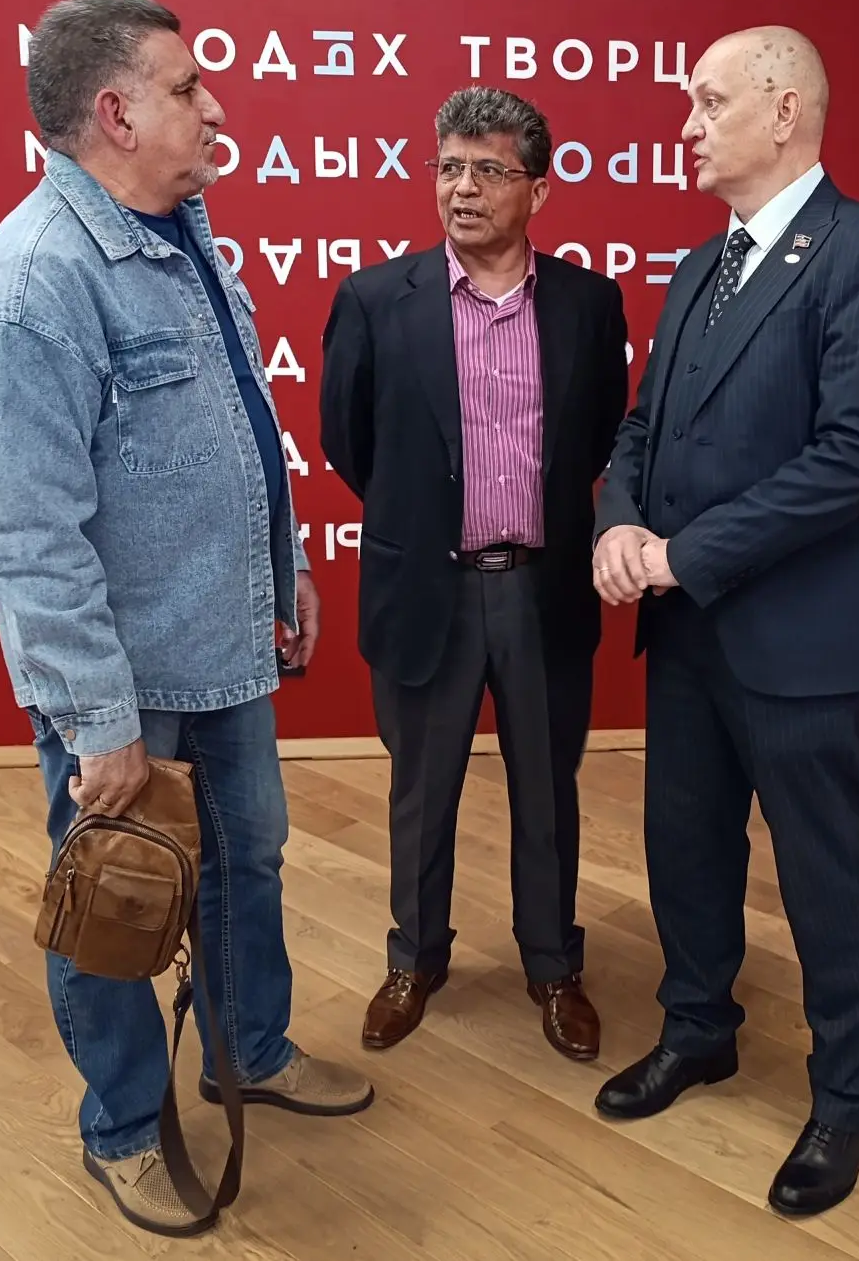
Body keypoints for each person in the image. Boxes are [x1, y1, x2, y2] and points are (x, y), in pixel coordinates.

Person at [0, 0, 372, 1238]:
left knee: (249, 862)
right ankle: (125, 1128)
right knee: (116, 907)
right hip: (125, 686)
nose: (215, 106)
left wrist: (283, 565)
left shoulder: (181, 231)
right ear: (117, 114)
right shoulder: (32, 283)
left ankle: (251, 1053)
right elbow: (24, 534)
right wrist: (98, 719)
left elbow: (235, 426)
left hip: (226, 645)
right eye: (187, 88)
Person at [590, 26, 859, 1217]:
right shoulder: (701, 266)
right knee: (684, 846)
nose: (686, 125)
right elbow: (643, 428)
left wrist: (684, 554)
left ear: (785, 111)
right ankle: (700, 1029)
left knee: (825, 873)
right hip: (686, 630)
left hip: (802, 637)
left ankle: (849, 1099)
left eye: (708, 101)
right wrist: (620, 525)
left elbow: (856, 457)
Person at [319, 86, 629, 1061]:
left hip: (544, 588)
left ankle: (553, 965)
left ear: (539, 188)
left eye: (488, 170)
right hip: (427, 587)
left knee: (548, 789)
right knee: (420, 791)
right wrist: (423, 518)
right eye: (449, 166)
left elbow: (598, 436)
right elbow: (349, 443)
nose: (462, 188)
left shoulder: (588, 305)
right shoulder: (376, 300)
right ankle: (415, 958)